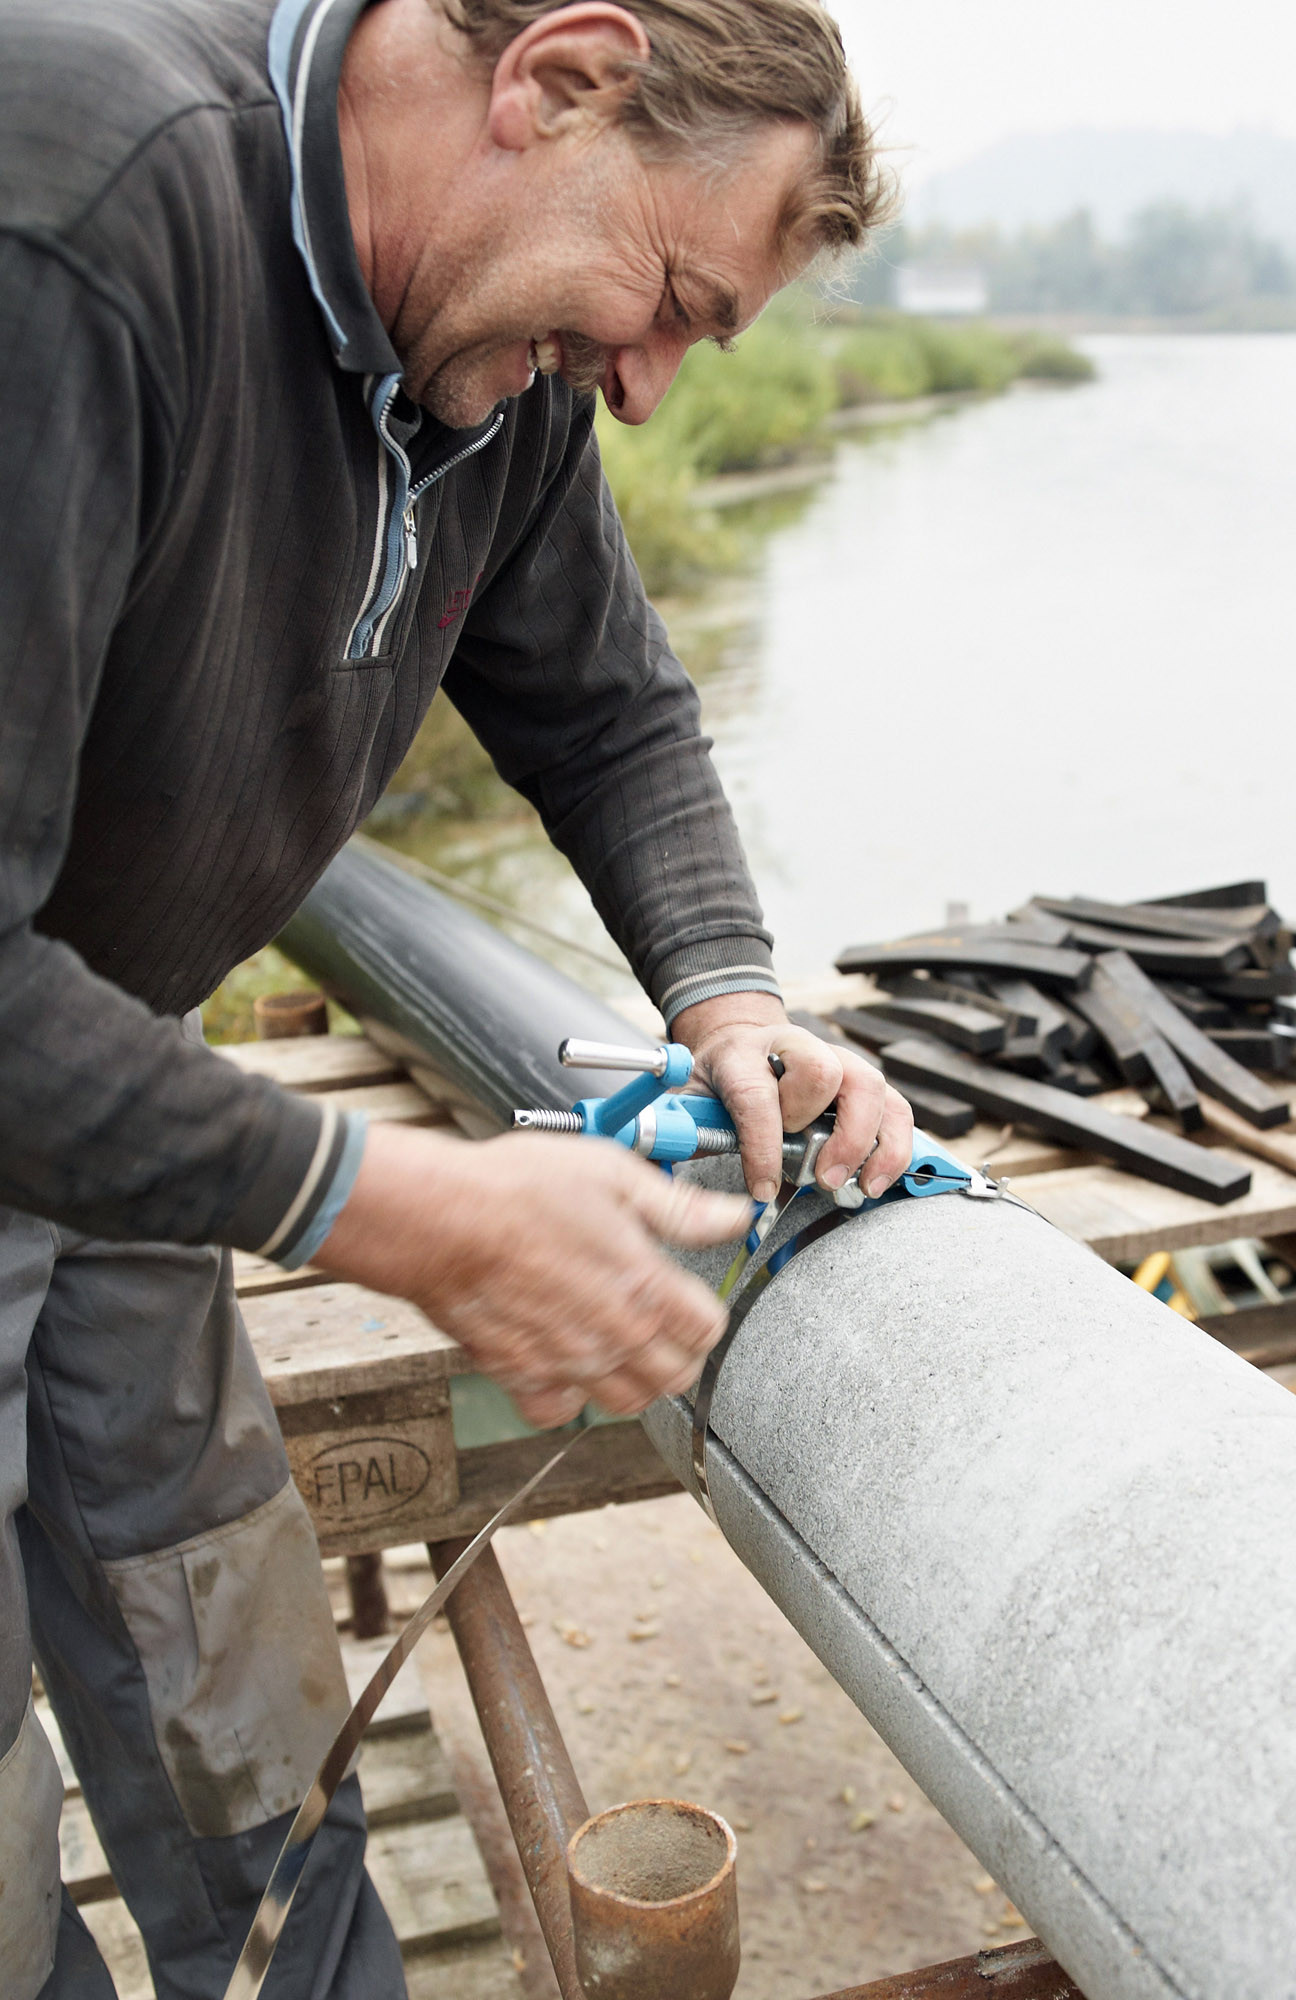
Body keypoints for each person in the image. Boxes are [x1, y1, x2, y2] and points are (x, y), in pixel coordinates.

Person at [0, 0, 910, 1989]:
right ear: (555, 78)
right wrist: (392, 1203)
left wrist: (732, 1004)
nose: (654, 390)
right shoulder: (76, 205)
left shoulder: (501, 373)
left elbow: (608, 712)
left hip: (113, 1098)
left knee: (226, 1660)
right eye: (668, 297)